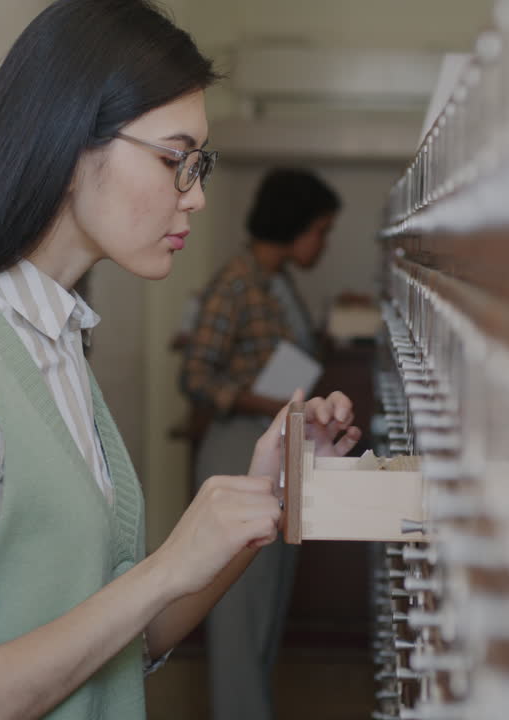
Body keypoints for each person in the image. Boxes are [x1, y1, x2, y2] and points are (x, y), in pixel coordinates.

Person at [0, 2, 362, 719]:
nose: (196, 197)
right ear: (72, 142)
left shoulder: (57, 341)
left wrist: (262, 496)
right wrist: (167, 565)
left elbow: (124, 648)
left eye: (199, 166)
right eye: (176, 160)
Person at [179, 168, 341, 720]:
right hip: (238, 448)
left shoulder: (276, 282)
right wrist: (269, 405)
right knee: (239, 615)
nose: (323, 243)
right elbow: (197, 377)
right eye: (321, 230)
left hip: (272, 448)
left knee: (266, 606)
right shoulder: (237, 282)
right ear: (294, 225)